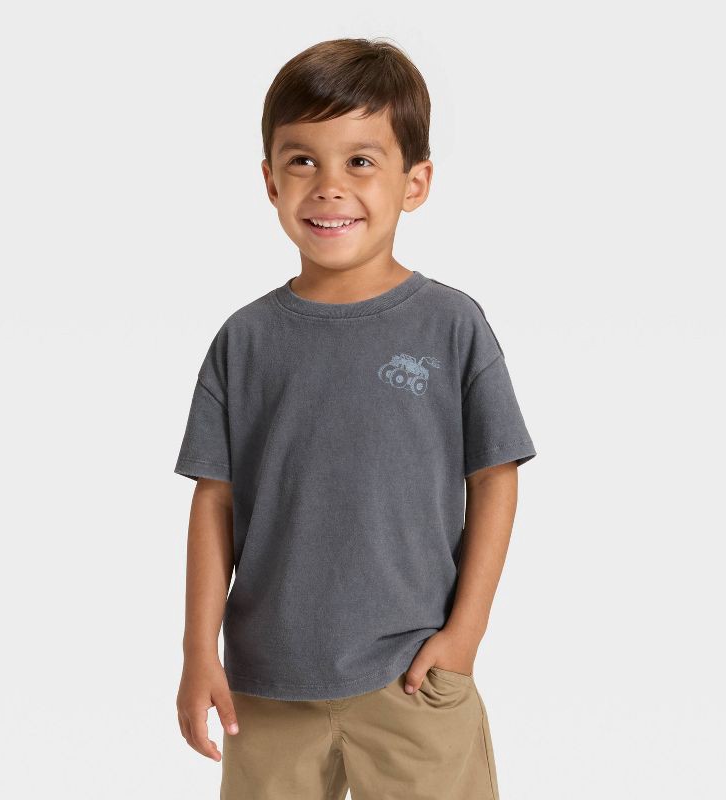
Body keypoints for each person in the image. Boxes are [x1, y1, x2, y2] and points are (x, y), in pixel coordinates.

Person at [174, 36, 537, 800]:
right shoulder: (244, 339)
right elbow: (214, 501)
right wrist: (197, 651)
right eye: (303, 161)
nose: (329, 187)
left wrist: (464, 636)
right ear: (270, 181)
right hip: (267, 688)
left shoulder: (452, 325)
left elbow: (495, 478)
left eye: (361, 161)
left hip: (413, 679)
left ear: (416, 182)